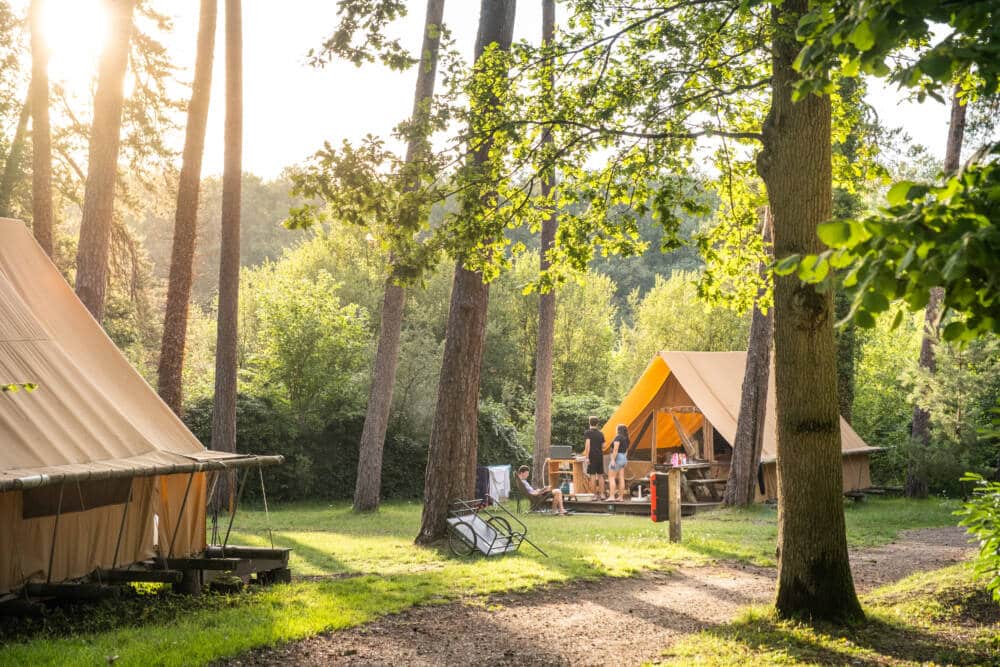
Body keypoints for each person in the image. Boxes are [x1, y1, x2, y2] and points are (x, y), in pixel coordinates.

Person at [581, 416, 606, 500]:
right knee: (600, 475)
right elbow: (604, 446)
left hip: (591, 456)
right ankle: (602, 494)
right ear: (597, 423)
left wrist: (587, 457)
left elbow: (587, 445)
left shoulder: (587, 433)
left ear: (589, 423)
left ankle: (594, 495)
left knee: (592, 476)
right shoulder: (601, 433)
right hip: (599, 456)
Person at [608, 424, 629, 501]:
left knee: (611, 477)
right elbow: (627, 450)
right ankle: (621, 497)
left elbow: (615, 449)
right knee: (621, 477)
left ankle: (612, 496)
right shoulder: (626, 438)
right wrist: (624, 459)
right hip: (623, 457)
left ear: (618, 430)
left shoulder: (618, 437)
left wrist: (613, 460)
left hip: (617, 457)